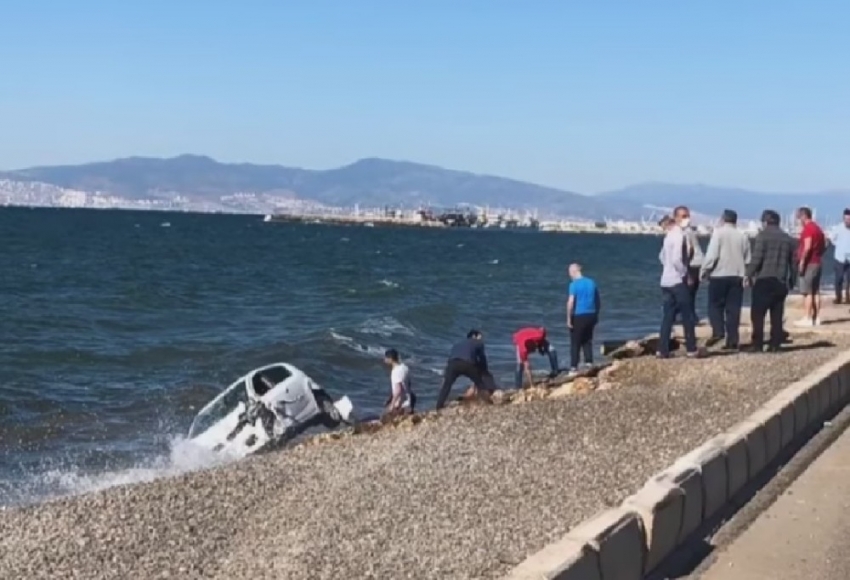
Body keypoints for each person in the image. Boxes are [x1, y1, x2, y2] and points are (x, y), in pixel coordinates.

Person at [745, 209, 796, 353]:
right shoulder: (788, 239)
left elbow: (757, 258)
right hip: (780, 280)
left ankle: (758, 343)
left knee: (758, 314)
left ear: (766, 221)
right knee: (777, 314)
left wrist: (748, 274)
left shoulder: (762, 236)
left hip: (764, 279)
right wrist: (792, 279)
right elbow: (793, 263)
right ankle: (775, 344)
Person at [700, 209, 751, 350]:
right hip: (737, 275)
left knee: (715, 306)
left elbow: (712, 255)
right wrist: (747, 275)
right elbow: (748, 258)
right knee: (733, 309)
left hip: (719, 275)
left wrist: (704, 270)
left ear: (723, 219)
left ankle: (718, 330)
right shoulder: (743, 235)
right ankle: (733, 340)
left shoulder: (718, 233)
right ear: (735, 220)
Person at [657, 206, 701, 358]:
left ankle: (662, 349)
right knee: (687, 314)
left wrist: (667, 268)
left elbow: (662, 257)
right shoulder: (678, 235)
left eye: (687, 215)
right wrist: (684, 274)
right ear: (675, 218)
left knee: (668, 316)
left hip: (666, 281)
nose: (686, 219)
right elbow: (676, 259)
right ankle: (691, 348)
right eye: (683, 216)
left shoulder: (668, 235)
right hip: (677, 281)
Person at [435, 330, 495, 410]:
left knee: (446, 386)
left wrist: (446, 374)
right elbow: (482, 358)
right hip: (468, 363)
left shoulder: (457, 344)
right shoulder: (478, 343)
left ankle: (439, 406)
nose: (481, 339)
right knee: (480, 383)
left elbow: (451, 358)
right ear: (474, 336)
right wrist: (484, 371)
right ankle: (487, 402)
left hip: (453, 364)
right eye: (480, 336)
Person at [794, 206, 826, 327]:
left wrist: (802, 262)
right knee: (816, 291)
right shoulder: (818, 229)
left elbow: (807, 247)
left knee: (807, 292)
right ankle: (816, 317)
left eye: (798, 218)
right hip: (817, 261)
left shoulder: (808, 229)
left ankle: (807, 317)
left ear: (803, 216)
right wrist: (819, 253)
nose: (798, 221)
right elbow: (825, 244)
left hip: (810, 263)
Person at [566, 263, 600, 371]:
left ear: (573, 272)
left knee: (575, 342)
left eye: (570, 273)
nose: (569, 276)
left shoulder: (574, 285)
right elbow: (598, 300)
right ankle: (589, 362)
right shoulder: (591, 282)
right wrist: (596, 314)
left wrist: (568, 318)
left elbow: (570, 302)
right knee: (587, 339)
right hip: (591, 314)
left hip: (579, 315)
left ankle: (573, 367)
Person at [382, 348, 415, 417]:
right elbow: (408, 384)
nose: (384, 360)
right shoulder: (405, 367)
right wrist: (390, 399)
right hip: (408, 400)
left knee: (384, 417)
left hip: (400, 404)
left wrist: (392, 405)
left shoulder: (395, 372)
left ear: (390, 359)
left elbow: (398, 390)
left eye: (386, 358)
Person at [684, 222, 705, 322]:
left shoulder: (686, 232)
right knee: (692, 292)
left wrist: (685, 264)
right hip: (699, 262)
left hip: (692, 264)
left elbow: (689, 249)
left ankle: (689, 316)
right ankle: (692, 315)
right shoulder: (690, 231)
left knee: (687, 292)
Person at [829, 209, 850, 304]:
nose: (847, 221)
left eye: (849, 219)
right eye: (846, 219)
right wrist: (838, 244)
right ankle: (838, 297)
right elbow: (832, 238)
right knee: (839, 278)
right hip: (840, 257)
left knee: (849, 279)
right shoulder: (838, 228)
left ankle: (848, 297)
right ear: (843, 218)